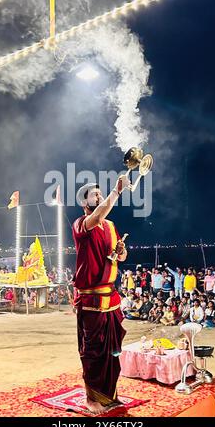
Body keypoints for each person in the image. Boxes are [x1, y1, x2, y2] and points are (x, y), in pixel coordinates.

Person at [72, 177, 129, 414]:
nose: (98, 197)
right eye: (94, 195)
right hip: (91, 300)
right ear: (84, 202)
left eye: (100, 194)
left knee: (112, 352)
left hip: (111, 298)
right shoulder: (82, 223)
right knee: (93, 351)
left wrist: (121, 251)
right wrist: (116, 192)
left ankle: (109, 395)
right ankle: (91, 398)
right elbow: (98, 216)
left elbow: (121, 258)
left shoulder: (111, 226)